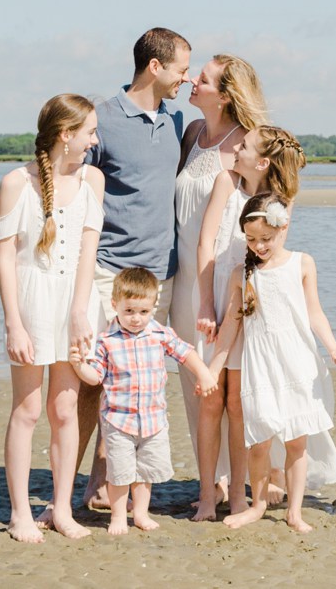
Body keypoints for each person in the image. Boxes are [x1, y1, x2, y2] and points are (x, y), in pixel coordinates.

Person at [78, 26, 191, 508]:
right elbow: (72, 185)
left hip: (160, 276)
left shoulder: (177, 120)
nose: (185, 79)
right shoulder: (101, 118)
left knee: (133, 382)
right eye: (182, 69)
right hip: (107, 270)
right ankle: (80, 485)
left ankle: (109, 484)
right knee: (91, 380)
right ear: (155, 66)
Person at [0, 94, 105, 543]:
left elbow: (87, 253)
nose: (95, 141)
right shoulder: (15, 182)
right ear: (66, 135)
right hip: (31, 301)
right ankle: (20, 513)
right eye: (90, 132)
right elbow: (4, 258)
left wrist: (80, 312)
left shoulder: (93, 180)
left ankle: (61, 509)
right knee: (27, 408)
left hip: (75, 304)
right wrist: (13, 323)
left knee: (64, 409)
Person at [206, 193, 336, 533]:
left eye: (266, 239)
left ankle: (294, 510)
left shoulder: (302, 263)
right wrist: (214, 367)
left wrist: (334, 348)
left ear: (283, 228)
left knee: (296, 442)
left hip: (297, 362)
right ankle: (257, 505)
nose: (259, 246)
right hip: (260, 366)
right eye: (252, 239)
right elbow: (231, 325)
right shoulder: (242, 274)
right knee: (259, 441)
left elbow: (315, 312)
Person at [191, 123, 306, 520]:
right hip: (214, 289)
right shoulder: (226, 181)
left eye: (243, 145)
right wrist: (206, 302)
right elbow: (206, 244)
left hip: (249, 298)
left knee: (239, 402)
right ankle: (208, 494)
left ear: (262, 160)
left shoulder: (282, 201)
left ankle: (240, 495)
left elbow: (273, 258)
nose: (234, 147)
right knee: (211, 399)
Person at [171, 52, 266, 513]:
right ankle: (211, 481)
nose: (192, 80)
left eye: (203, 79)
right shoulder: (191, 134)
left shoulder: (247, 143)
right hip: (186, 278)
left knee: (233, 385)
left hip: (224, 278)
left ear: (225, 95)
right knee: (195, 384)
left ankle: (241, 481)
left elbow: (266, 217)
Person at [72, 269, 218, 535]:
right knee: (119, 472)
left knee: (145, 472)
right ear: (115, 305)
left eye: (143, 312)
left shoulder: (159, 333)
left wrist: (204, 374)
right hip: (119, 421)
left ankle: (140, 513)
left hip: (153, 421)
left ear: (153, 307)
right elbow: (95, 377)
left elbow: (185, 352)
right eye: (129, 311)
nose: (136, 319)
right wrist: (79, 366)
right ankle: (118, 516)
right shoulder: (106, 340)